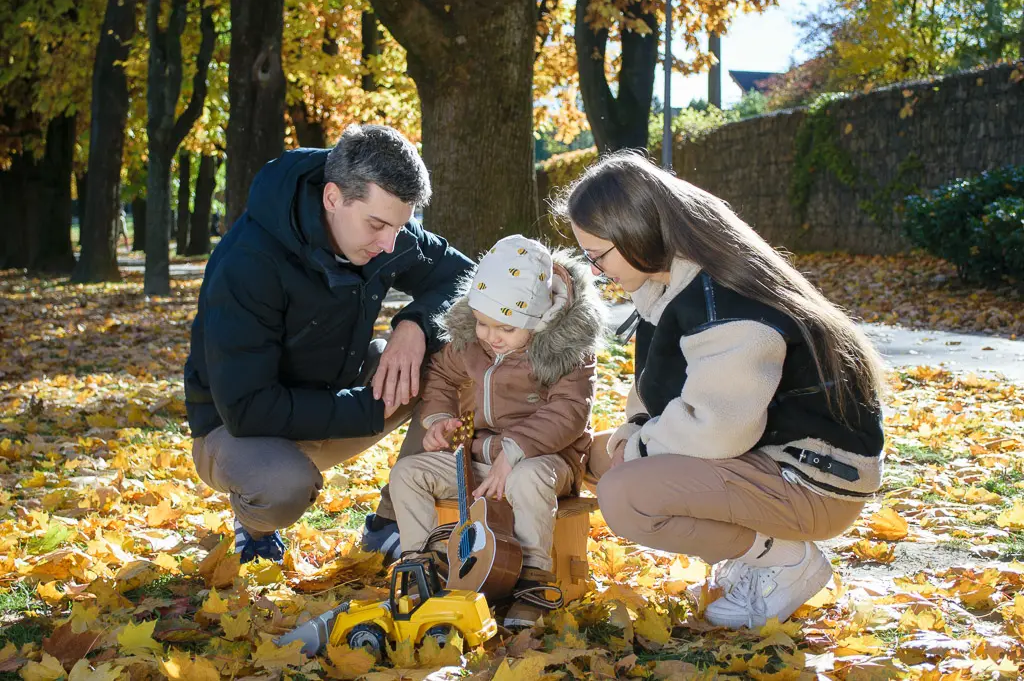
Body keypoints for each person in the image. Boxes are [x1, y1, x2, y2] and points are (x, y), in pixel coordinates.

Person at [556, 152, 886, 629]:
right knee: (600, 457)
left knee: (625, 494)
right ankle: (755, 553)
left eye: (598, 255)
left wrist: (640, 447)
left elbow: (717, 429)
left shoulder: (725, 300)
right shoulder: (670, 284)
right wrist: (631, 435)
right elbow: (656, 396)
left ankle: (783, 559)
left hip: (812, 482)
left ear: (637, 231)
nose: (597, 270)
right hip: (771, 459)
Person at [184, 125, 473, 564]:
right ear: (333, 197)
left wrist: (415, 324)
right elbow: (248, 409)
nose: (389, 243)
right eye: (376, 224)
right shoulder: (247, 261)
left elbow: (469, 278)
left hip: (334, 392)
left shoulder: (383, 230)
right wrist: (369, 408)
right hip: (238, 429)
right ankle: (255, 527)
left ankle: (392, 523)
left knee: (461, 354)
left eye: (401, 225)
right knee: (283, 487)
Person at [387, 235, 605, 628]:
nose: (490, 336)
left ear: (538, 319)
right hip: (478, 462)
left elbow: (570, 410)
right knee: (408, 474)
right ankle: (425, 565)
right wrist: (439, 421)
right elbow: (439, 376)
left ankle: (533, 580)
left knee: (527, 478)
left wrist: (516, 450)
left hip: (544, 460)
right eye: (482, 323)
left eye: (504, 327)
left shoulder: (568, 352)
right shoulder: (473, 341)